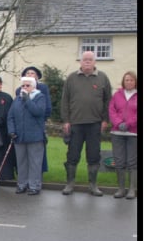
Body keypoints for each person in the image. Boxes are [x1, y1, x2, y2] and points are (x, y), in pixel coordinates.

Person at [60, 51, 112, 196]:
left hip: (95, 124)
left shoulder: (102, 78)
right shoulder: (71, 78)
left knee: (94, 155)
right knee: (72, 155)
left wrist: (105, 120)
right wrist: (66, 121)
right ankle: (70, 184)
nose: (87, 62)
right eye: (85, 60)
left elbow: (108, 100)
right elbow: (65, 100)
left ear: (95, 62)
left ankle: (93, 185)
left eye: (90, 60)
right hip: (75, 124)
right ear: (80, 62)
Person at [7, 76, 48, 195]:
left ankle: (34, 185)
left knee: (35, 162)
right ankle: (22, 184)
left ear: (33, 87)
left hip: (35, 136)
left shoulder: (40, 97)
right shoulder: (17, 100)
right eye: (23, 86)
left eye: (27, 86)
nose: (24, 88)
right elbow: (10, 116)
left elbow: (38, 112)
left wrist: (27, 100)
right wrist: (12, 130)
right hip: (19, 136)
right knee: (21, 162)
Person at [15, 66, 51, 176]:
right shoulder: (19, 90)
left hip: (37, 124)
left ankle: (37, 177)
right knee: (23, 155)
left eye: (32, 73)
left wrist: (40, 121)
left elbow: (46, 108)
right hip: (23, 125)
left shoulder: (42, 89)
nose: (30, 75)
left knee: (37, 154)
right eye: (27, 73)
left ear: (37, 76)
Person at [108, 71, 138, 199]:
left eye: (131, 80)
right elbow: (111, 110)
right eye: (127, 80)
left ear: (135, 81)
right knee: (119, 161)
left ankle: (132, 189)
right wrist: (119, 122)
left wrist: (129, 124)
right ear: (123, 81)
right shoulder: (117, 95)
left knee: (132, 162)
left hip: (133, 133)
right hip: (117, 132)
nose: (129, 82)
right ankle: (121, 189)